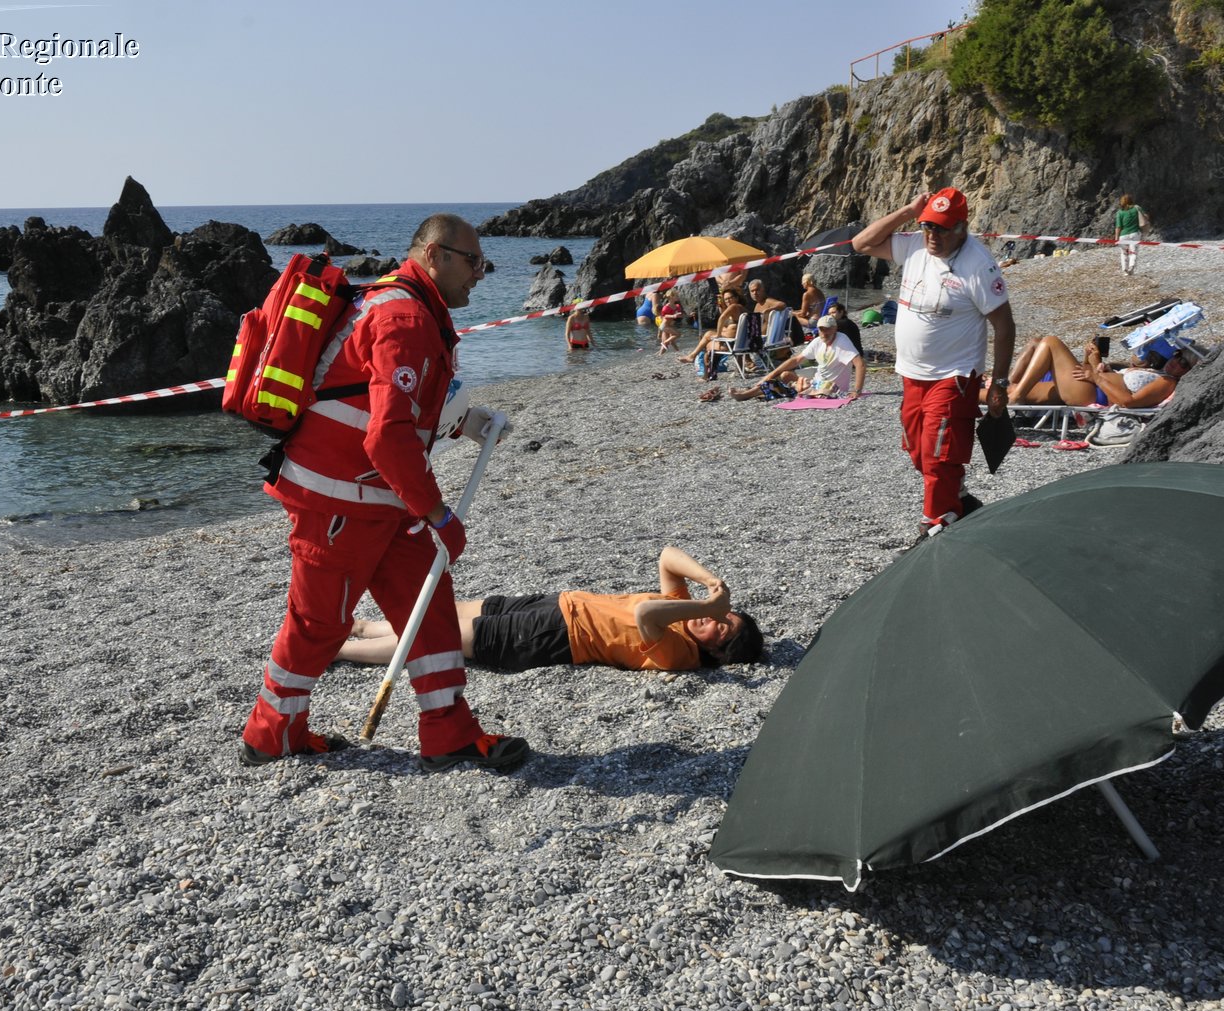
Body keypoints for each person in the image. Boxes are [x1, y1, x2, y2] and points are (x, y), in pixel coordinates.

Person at [240, 213, 529, 773]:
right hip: (340, 499)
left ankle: (449, 730)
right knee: (319, 623)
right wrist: (438, 513)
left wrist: (464, 423)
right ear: (435, 255)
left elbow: (387, 405)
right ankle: (272, 732)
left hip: (379, 498)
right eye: (473, 261)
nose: (481, 274)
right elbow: (387, 437)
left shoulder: (400, 307)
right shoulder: (404, 317)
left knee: (429, 606)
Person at [853, 186, 1015, 538]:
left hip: (954, 376)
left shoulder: (977, 265)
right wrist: (908, 212)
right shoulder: (914, 243)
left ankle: (936, 524)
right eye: (928, 226)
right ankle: (959, 498)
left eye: (942, 228)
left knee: (938, 456)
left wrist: (999, 384)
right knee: (917, 452)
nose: (933, 235)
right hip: (912, 375)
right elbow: (861, 244)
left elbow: (1004, 326)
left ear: (962, 227)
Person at [336, 547, 764, 672]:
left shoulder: (682, 654)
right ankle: (365, 628)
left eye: (719, 629)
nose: (710, 618)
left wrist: (708, 604)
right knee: (447, 613)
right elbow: (668, 556)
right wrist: (712, 583)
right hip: (559, 603)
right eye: (722, 614)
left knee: (442, 638)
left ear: (716, 654)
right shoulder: (683, 612)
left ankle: (338, 650)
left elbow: (644, 616)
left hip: (558, 637)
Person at [997, 334, 1194, 408]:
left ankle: (1018, 396)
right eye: (1178, 356)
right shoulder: (1158, 374)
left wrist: (1096, 377)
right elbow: (1093, 373)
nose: (1177, 363)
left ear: (1187, 372)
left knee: (1051, 342)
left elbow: (1128, 402)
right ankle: (973, 390)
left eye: (1184, 364)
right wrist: (1091, 360)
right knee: (1006, 390)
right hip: (1087, 384)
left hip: (1092, 393)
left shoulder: (1167, 382)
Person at [730, 314, 865, 400]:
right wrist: (770, 374)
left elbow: (860, 364)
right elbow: (796, 360)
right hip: (817, 382)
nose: (824, 332)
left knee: (785, 386)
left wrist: (856, 390)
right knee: (785, 375)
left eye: (827, 329)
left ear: (835, 328)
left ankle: (749, 393)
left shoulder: (842, 341)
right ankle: (759, 388)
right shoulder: (819, 341)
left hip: (832, 388)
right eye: (821, 329)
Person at [679, 289, 744, 365]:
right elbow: (728, 323)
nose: (728, 301)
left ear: (736, 298)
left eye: (730, 298)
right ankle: (694, 357)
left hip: (732, 344)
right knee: (709, 337)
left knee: (708, 338)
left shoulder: (734, 306)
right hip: (741, 343)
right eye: (725, 299)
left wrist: (718, 335)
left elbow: (722, 318)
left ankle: (694, 358)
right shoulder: (741, 308)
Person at [1114, 194, 1147, 275]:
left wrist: (1116, 238)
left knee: (1124, 252)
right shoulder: (1137, 208)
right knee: (1133, 251)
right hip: (1135, 233)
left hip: (1123, 235)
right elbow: (1145, 217)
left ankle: (1125, 269)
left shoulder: (1119, 212)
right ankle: (1131, 267)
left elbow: (1118, 226)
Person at [788, 272, 825, 344]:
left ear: (807, 282)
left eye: (803, 282)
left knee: (792, 318)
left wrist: (792, 313)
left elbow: (803, 314)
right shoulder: (819, 291)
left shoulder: (806, 294)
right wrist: (795, 311)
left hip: (814, 322)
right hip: (821, 318)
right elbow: (808, 310)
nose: (802, 284)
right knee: (793, 314)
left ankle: (796, 340)